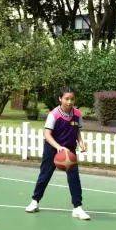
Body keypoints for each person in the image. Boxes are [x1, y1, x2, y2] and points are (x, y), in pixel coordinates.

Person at [27, 87, 90, 220]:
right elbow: (47, 134)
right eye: (66, 98)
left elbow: (77, 131)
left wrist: (81, 142)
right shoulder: (54, 114)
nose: (69, 101)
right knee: (45, 175)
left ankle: (77, 207)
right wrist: (58, 147)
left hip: (70, 150)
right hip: (52, 148)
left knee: (74, 178)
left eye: (72, 99)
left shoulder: (77, 114)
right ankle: (35, 201)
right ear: (60, 99)